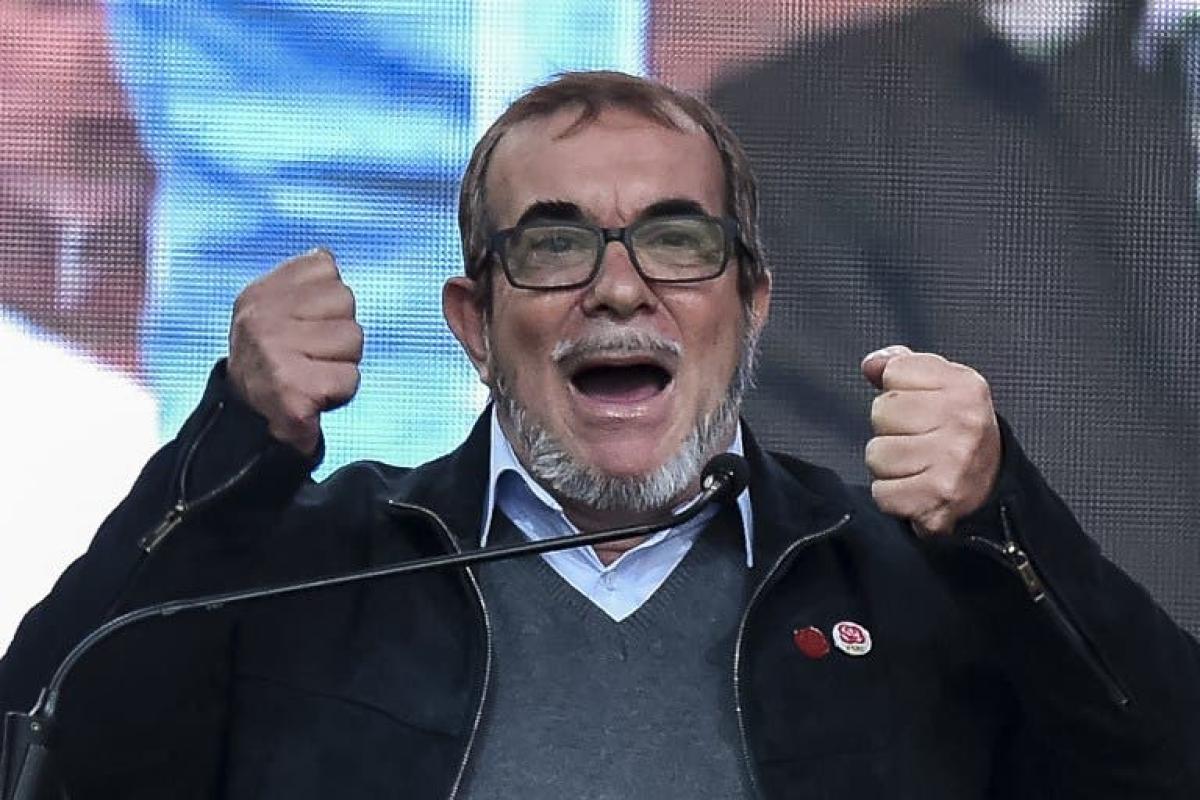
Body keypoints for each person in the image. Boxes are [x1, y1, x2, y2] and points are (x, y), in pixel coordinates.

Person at [1, 71, 1198, 799]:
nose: (619, 288)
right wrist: (232, 446)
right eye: (555, 243)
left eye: (678, 240)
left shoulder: (910, 578)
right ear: (475, 322)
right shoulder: (310, 566)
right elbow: (41, 750)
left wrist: (1005, 517)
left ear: (751, 305)